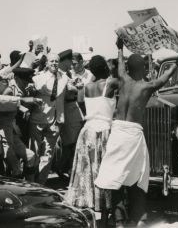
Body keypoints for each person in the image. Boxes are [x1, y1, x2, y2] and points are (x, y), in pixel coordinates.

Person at [95, 37, 178, 227]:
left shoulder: (123, 79)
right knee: (138, 176)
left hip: (117, 131)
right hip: (133, 134)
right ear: (143, 69)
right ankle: (137, 217)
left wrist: (119, 47)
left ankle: (118, 219)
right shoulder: (147, 86)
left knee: (114, 176)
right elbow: (165, 77)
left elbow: (120, 63)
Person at [65, 55, 118, 227]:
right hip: (104, 131)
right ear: (105, 68)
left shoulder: (86, 87)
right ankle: (107, 212)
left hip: (87, 131)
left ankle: (92, 212)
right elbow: (123, 79)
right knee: (104, 171)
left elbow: (81, 103)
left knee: (88, 173)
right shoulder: (110, 84)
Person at [28, 53, 68, 184]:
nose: (55, 64)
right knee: (34, 152)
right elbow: (38, 89)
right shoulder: (38, 78)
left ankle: (41, 183)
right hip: (39, 119)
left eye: (57, 61)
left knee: (48, 154)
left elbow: (69, 89)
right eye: (52, 61)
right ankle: (30, 182)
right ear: (47, 63)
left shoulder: (65, 78)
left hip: (56, 120)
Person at [56, 49, 84, 178]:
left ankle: (64, 168)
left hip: (73, 109)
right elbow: (68, 91)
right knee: (71, 143)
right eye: (70, 62)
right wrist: (77, 87)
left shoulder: (67, 73)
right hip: (68, 109)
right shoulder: (61, 74)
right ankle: (65, 169)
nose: (72, 65)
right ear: (65, 61)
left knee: (71, 143)